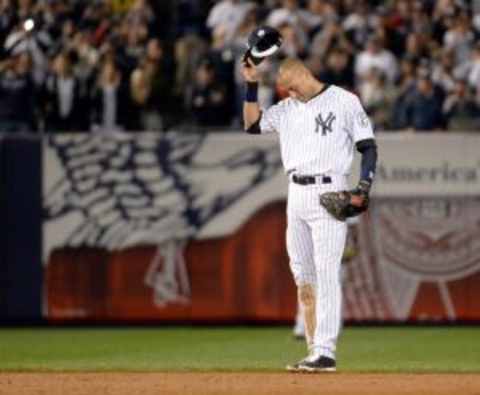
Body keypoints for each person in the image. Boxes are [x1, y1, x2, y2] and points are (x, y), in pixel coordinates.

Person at [241, 57, 377, 372]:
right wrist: (251, 84)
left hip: (329, 190)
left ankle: (326, 351)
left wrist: (364, 186)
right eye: (285, 89)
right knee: (303, 277)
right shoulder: (288, 107)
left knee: (327, 272)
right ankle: (314, 351)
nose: (290, 92)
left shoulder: (344, 100)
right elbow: (252, 125)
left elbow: (368, 146)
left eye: (292, 86)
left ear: (303, 73)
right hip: (296, 193)